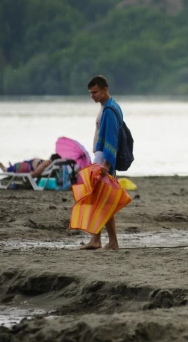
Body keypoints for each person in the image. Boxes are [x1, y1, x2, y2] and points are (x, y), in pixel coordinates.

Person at [80, 75, 125, 251]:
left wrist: (106, 164)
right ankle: (97, 239)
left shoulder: (109, 110)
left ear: (105, 89)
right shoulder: (108, 107)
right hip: (101, 158)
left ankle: (107, 241)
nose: (93, 96)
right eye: (91, 93)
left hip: (104, 160)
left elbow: (112, 140)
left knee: (102, 200)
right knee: (100, 200)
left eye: (96, 92)